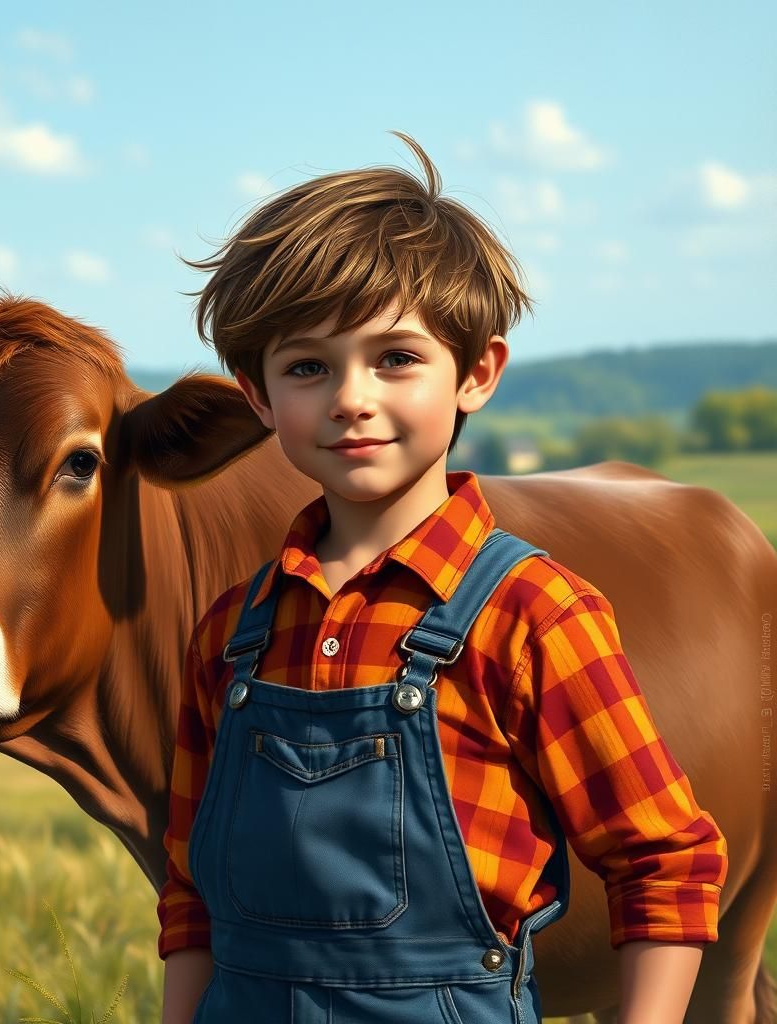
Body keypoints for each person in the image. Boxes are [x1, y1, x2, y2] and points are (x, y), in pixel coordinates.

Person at [157, 131, 728, 1023]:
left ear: (477, 373)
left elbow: (665, 861)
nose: (352, 398)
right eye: (307, 366)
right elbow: (191, 898)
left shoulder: (535, 614)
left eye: (396, 358)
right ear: (258, 396)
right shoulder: (231, 633)